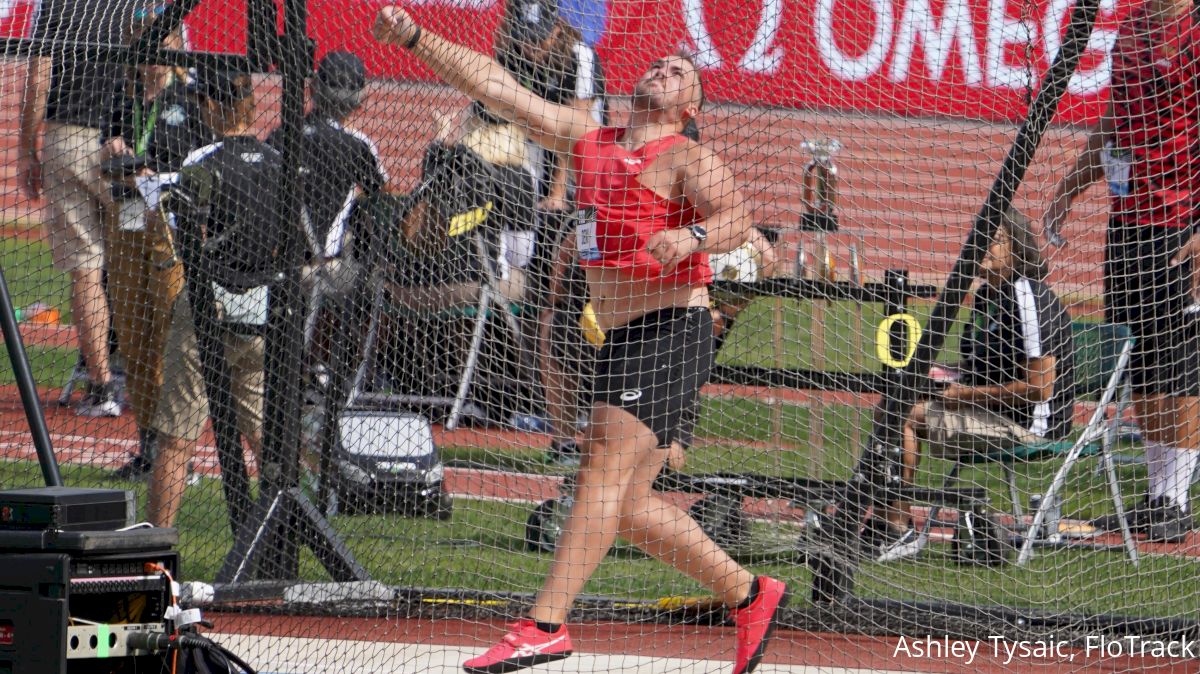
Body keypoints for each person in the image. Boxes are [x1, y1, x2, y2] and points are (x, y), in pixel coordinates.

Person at [374, 8, 787, 674]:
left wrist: (695, 237)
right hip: (620, 338)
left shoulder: (686, 156)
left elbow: (736, 215)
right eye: (659, 63)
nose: (664, 69)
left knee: (597, 466)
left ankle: (544, 626)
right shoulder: (588, 138)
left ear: (690, 105)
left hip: (672, 327)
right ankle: (751, 593)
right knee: (623, 507)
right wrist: (418, 38)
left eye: (681, 72)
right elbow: (497, 88)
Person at [1043, 0, 1200, 543]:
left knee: (1180, 359)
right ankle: (1156, 497)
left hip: (1180, 222)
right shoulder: (1132, 22)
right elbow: (1116, 120)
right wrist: (1070, 186)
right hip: (1128, 216)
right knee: (1142, 359)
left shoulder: (1194, 26)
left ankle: (1176, 499)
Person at [878, 210, 1075, 561]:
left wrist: (962, 395)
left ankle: (894, 527)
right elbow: (978, 368)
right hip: (991, 410)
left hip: (1031, 424)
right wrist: (939, 377)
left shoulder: (1027, 297)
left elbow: (1040, 388)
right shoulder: (986, 296)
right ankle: (886, 519)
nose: (982, 247)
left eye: (993, 240)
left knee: (902, 415)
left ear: (1017, 247)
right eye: (978, 238)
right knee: (897, 399)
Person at [148, 68, 279, 528]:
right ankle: (279, 544)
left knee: (177, 436)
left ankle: (157, 547)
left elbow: (182, 229)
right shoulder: (278, 159)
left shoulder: (204, 157)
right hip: (264, 308)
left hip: (210, 304)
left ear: (208, 106)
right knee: (266, 438)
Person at [102, 12, 213, 480]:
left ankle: (176, 454)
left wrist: (159, 178)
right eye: (142, 49)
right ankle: (147, 443)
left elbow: (205, 171)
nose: (149, 60)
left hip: (168, 222)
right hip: (126, 218)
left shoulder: (189, 100)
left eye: (157, 48)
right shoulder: (122, 96)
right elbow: (108, 145)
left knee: (170, 332)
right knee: (133, 335)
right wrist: (112, 151)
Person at [19, 0, 141, 416]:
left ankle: (103, 385)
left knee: (87, 269)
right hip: (123, 148)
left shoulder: (52, 5)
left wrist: (26, 150)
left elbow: (38, 78)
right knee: (136, 263)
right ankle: (145, 380)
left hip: (67, 138)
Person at [266, 51, 388, 393]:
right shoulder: (357, 145)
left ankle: (309, 360)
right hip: (324, 268)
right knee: (375, 275)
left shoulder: (281, 135)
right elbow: (384, 196)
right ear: (358, 97)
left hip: (277, 262)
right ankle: (342, 367)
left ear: (314, 88)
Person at [493, 0, 605, 212]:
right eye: (524, 37)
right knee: (512, 193)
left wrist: (557, 194)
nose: (530, 46)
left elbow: (575, 130)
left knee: (569, 217)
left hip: (583, 154)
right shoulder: (513, 54)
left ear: (557, 29)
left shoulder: (581, 56)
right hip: (538, 142)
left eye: (538, 38)